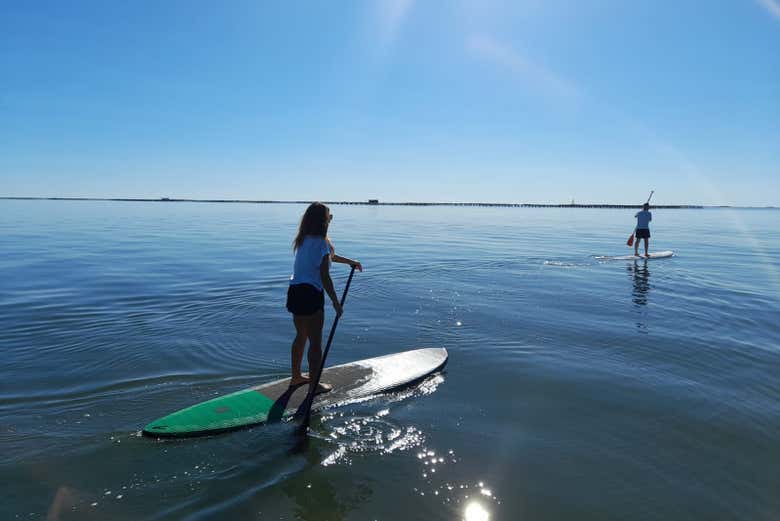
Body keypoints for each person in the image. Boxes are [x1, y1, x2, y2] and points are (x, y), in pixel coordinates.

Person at [286, 202, 362, 394]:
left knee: (300, 336)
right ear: (323, 221)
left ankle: (296, 377)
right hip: (311, 294)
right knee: (316, 344)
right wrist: (336, 303)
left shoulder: (302, 240)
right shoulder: (322, 242)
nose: (331, 219)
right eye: (330, 216)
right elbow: (325, 276)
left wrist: (351, 262)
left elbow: (330, 257)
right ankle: (314, 386)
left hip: (294, 291)